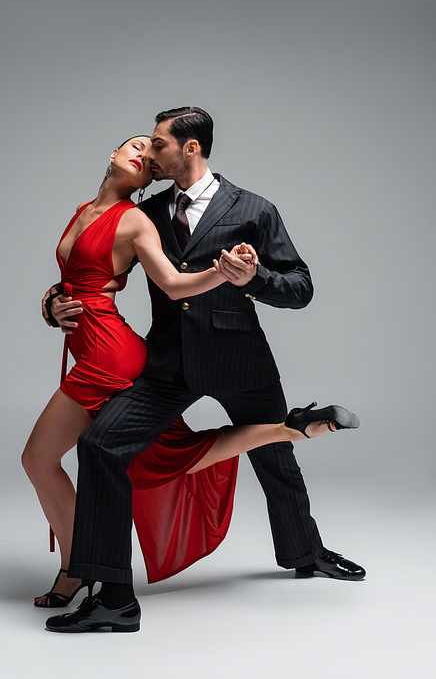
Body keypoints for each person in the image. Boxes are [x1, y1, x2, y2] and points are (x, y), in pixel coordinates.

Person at [42, 108, 365, 634]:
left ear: (190, 148)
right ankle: (115, 597)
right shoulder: (145, 211)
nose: (150, 153)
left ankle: (306, 553)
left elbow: (301, 288)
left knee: (275, 459)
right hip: (169, 361)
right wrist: (54, 303)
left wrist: (254, 277)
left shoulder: (254, 209)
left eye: (159, 145)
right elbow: (97, 274)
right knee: (100, 446)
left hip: (240, 358)